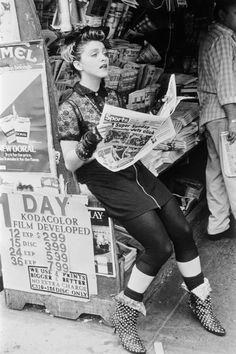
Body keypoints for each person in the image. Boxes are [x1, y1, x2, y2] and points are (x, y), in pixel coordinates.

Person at [57, 26, 225, 354]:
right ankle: (126, 312)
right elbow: (70, 164)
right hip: (104, 179)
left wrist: (151, 131)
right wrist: (90, 140)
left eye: (104, 52)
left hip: (132, 170)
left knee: (181, 229)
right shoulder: (70, 106)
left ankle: (200, 301)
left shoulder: (113, 96)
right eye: (95, 54)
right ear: (78, 64)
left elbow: (129, 142)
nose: (104, 57)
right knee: (158, 246)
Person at [198, 0, 236, 241]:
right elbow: (226, 84)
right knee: (233, 171)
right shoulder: (223, 40)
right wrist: (234, 119)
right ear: (222, 14)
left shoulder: (212, 36)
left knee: (216, 169)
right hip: (224, 115)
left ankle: (218, 224)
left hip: (211, 115)